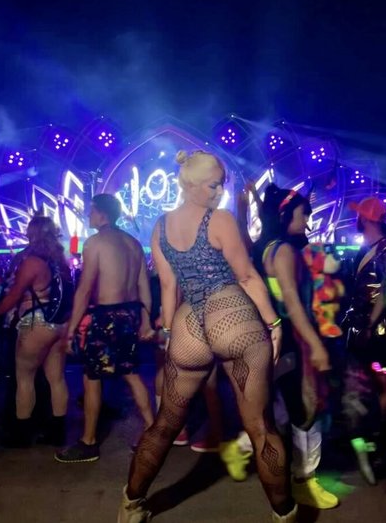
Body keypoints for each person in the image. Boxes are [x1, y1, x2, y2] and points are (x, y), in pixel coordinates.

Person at [118, 150, 297, 523]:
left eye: (221, 185)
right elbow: (246, 276)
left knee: (165, 423)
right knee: (261, 428)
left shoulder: (160, 227)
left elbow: (169, 287)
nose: (219, 192)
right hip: (232, 317)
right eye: (213, 185)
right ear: (190, 184)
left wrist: (169, 333)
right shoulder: (219, 220)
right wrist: (274, 323)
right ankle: (285, 515)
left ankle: (131, 506)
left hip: (189, 324)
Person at [55, 194, 155, 463]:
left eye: (91, 211)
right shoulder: (133, 244)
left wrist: (72, 328)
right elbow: (144, 287)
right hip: (130, 313)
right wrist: (145, 320)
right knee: (131, 373)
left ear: (102, 214)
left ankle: (88, 442)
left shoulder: (96, 243)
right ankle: (153, 432)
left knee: (91, 378)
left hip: (106, 316)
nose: (88, 216)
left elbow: (85, 289)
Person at [257, 185, 339, 510]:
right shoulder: (284, 252)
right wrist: (316, 345)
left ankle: (291, 476)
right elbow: (292, 302)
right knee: (306, 411)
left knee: (284, 410)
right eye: (303, 214)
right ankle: (304, 481)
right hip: (296, 340)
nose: (307, 221)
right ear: (285, 216)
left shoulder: (266, 247)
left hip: (278, 340)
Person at [0, 216, 71, 447]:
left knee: (25, 378)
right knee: (57, 379)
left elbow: (14, 295)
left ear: (33, 234)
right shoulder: (60, 262)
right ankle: (57, 433)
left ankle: (21, 435)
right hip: (59, 324)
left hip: (36, 323)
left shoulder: (32, 262)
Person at [342, 197, 386, 484]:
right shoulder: (370, 248)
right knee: (361, 384)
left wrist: (370, 324)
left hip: (377, 332)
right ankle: (368, 438)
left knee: (381, 387)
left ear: (366, 219)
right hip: (361, 328)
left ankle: (380, 443)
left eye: (360, 215)